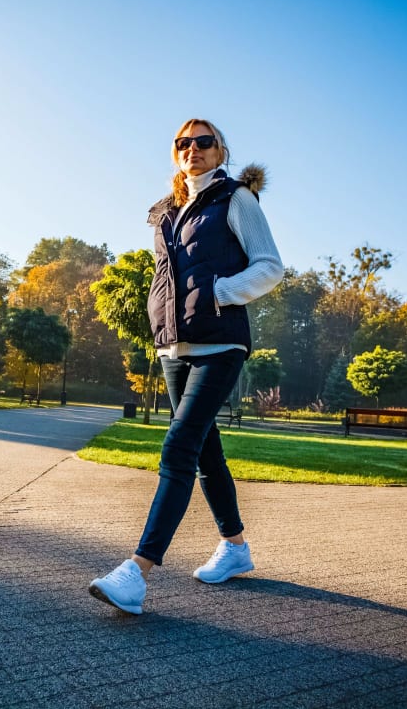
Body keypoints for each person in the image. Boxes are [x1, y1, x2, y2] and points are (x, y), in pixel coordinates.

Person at [89, 118, 284, 614]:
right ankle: (235, 548)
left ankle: (137, 573)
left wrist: (220, 294)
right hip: (174, 348)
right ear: (175, 153)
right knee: (204, 453)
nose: (192, 149)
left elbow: (270, 266)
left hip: (220, 343)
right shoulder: (166, 212)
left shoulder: (236, 199)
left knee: (178, 447)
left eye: (204, 142)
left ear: (220, 152)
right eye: (183, 143)